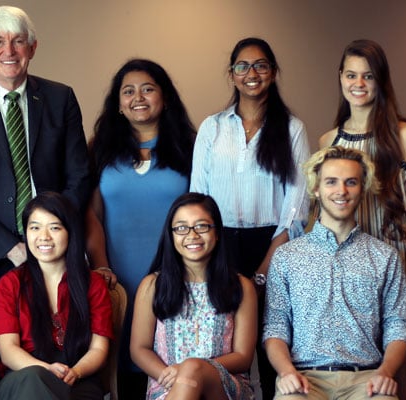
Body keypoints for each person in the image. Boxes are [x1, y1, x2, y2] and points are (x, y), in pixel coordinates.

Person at [189, 37, 310, 399]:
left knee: (271, 337)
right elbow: (199, 194)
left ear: (273, 73)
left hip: (274, 244)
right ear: (232, 75)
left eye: (260, 65)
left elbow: (297, 205)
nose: (251, 73)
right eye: (242, 66)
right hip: (219, 243)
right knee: (224, 338)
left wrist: (265, 267)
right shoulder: (213, 127)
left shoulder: (292, 129)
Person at [0, 5, 92, 285]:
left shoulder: (61, 99)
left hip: (57, 253)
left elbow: (79, 176)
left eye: (18, 41)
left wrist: (50, 232)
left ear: (32, 48)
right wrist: (10, 247)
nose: (8, 51)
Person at [85, 58, 196, 398]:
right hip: (119, 278)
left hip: (177, 274)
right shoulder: (99, 149)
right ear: (117, 102)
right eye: (128, 90)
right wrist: (102, 265)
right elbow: (90, 214)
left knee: (174, 369)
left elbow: (202, 214)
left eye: (148, 88)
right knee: (125, 370)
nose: (139, 97)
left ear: (165, 97)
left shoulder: (190, 147)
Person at [264, 146, 406, 400]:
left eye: (351, 182)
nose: (341, 191)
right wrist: (286, 372)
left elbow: (397, 326)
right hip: (304, 379)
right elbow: (275, 327)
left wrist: (386, 372)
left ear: (362, 189)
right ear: (316, 189)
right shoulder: (287, 257)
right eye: (331, 182)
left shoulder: (385, 257)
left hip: (367, 380)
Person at [318, 39, 406, 340]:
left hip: (393, 266)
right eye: (351, 74)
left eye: (368, 76)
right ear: (340, 77)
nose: (358, 83)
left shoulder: (405, 135)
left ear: (380, 81)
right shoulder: (328, 142)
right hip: (349, 273)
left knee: (395, 375)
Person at [130, 192, 257, 400]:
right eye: (181, 228)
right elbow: (139, 348)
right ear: (171, 235)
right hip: (167, 385)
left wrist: (191, 368)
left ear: (216, 233)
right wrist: (170, 375)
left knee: (193, 368)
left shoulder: (241, 286)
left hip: (224, 387)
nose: (192, 235)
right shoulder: (153, 285)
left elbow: (243, 357)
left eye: (201, 226)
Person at [0, 192, 113, 399]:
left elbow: (99, 349)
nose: (44, 237)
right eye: (35, 227)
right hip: (22, 376)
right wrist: (45, 369)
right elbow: (8, 351)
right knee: (33, 380)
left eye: (54, 228)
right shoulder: (10, 284)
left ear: (70, 232)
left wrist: (76, 371)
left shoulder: (93, 284)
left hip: (77, 379)